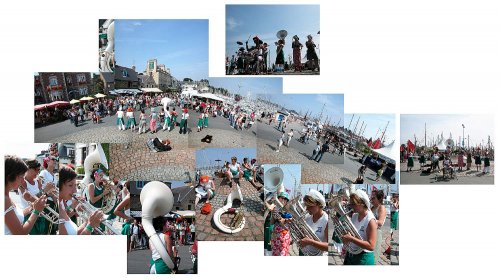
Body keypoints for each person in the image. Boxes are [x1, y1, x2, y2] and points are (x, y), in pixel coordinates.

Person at [4, 155, 47, 235]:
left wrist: (32, 207)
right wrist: (36, 211)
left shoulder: (7, 195)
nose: (23, 180)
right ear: (10, 177)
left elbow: (17, 215)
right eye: (21, 177)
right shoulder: (4, 199)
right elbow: (20, 234)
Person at [58, 165, 103, 235]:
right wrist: (89, 226)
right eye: (70, 185)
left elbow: (75, 232)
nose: (75, 190)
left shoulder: (61, 204)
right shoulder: (58, 205)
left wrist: (89, 221)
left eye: (75, 185)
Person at [19, 159, 56, 235]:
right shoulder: (22, 183)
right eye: (36, 170)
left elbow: (42, 197)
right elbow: (29, 198)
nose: (37, 172)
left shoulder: (38, 181)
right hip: (29, 214)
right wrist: (45, 191)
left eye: (39, 170)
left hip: (40, 214)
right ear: (28, 168)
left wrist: (50, 193)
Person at [343, 189, 377, 265]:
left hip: (363, 258)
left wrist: (351, 238)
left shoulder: (370, 220)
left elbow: (371, 246)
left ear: (362, 203)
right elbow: (352, 235)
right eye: (351, 204)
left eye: (354, 204)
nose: (351, 206)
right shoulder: (355, 215)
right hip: (351, 254)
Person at [299, 190, 329, 256]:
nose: (307, 208)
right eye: (306, 206)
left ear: (319, 204)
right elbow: (302, 236)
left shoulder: (327, 220)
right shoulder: (307, 217)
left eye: (310, 206)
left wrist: (311, 242)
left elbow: (328, 247)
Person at [267, 192, 292, 256]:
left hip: (284, 236)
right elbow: (271, 222)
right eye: (282, 198)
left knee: (282, 254)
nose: (283, 200)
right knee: (275, 253)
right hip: (275, 236)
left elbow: (293, 220)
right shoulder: (276, 209)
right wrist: (273, 213)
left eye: (285, 199)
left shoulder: (289, 210)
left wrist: (285, 220)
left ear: (287, 201)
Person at [370, 189, 387, 264]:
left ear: (379, 199)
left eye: (373, 198)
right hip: (370, 232)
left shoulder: (381, 207)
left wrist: (370, 220)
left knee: (373, 256)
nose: (371, 199)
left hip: (376, 233)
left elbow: (380, 222)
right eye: (371, 198)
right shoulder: (372, 207)